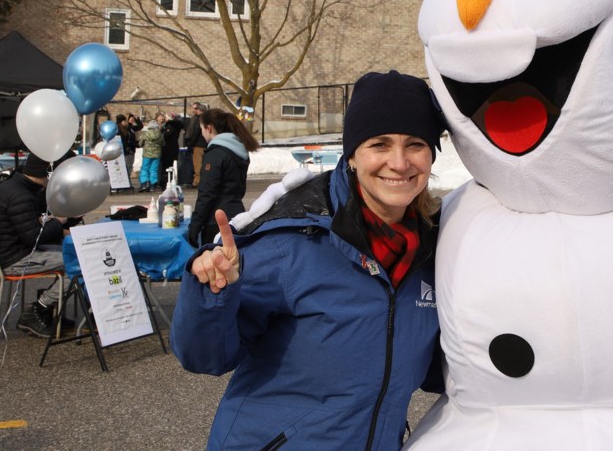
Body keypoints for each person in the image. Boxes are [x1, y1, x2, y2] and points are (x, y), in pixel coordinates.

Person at [171, 70, 446, 451]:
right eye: (379, 145)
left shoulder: (434, 253)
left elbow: (446, 368)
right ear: (352, 156)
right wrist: (211, 292)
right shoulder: (293, 242)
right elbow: (205, 357)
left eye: (415, 144)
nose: (399, 163)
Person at [0, 151, 80, 337]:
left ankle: (48, 311)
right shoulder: (20, 196)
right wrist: (60, 223)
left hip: (14, 252)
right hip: (15, 259)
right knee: (80, 263)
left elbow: (34, 227)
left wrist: (67, 220)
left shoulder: (16, 187)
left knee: (75, 254)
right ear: (47, 173)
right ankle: (39, 308)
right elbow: (34, 237)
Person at [185, 108, 259, 248]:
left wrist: (194, 226)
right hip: (236, 215)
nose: (201, 133)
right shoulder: (238, 149)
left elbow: (207, 193)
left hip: (217, 221)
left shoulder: (216, 154)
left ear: (209, 128)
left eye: (201, 129)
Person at [184, 102, 208, 188]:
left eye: (196, 109)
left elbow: (196, 132)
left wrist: (191, 142)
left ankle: (197, 181)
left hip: (199, 144)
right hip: (207, 144)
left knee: (197, 163)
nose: (195, 111)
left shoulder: (199, 119)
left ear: (199, 110)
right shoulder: (209, 119)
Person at [159, 112, 186, 189]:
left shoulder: (170, 126)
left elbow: (167, 136)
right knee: (172, 166)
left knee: (166, 167)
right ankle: (171, 180)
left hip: (168, 148)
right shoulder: (177, 126)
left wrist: (163, 132)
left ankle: (165, 182)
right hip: (174, 148)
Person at [138, 119, 164, 193]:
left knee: (144, 169)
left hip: (147, 155)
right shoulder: (160, 134)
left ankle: (144, 184)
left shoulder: (146, 134)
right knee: (153, 170)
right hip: (157, 155)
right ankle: (152, 186)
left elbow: (140, 143)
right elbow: (163, 144)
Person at [115, 114, 138, 192]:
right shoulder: (118, 130)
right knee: (125, 167)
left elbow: (139, 126)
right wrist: (127, 148)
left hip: (130, 150)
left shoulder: (128, 129)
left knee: (129, 167)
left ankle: (127, 182)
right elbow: (122, 141)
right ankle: (124, 183)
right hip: (124, 152)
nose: (126, 122)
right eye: (124, 121)